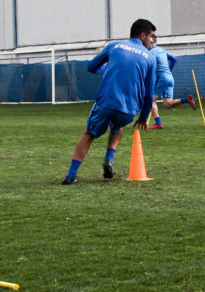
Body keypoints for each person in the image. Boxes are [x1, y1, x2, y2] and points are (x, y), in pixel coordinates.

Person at [61, 19, 157, 184]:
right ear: (142, 35)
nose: (152, 40)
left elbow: (91, 67)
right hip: (127, 111)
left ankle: (71, 175)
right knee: (117, 127)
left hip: (105, 104)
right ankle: (108, 159)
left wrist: (107, 69)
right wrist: (143, 117)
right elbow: (149, 94)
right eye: (151, 36)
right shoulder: (150, 58)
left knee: (89, 134)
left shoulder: (114, 46)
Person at [146, 34, 194, 129]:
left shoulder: (151, 52)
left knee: (150, 100)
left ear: (151, 42)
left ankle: (158, 123)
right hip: (170, 77)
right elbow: (174, 59)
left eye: (147, 41)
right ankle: (186, 100)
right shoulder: (162, 50)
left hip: (163, 78)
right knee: (168, 104)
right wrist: (168, 70)